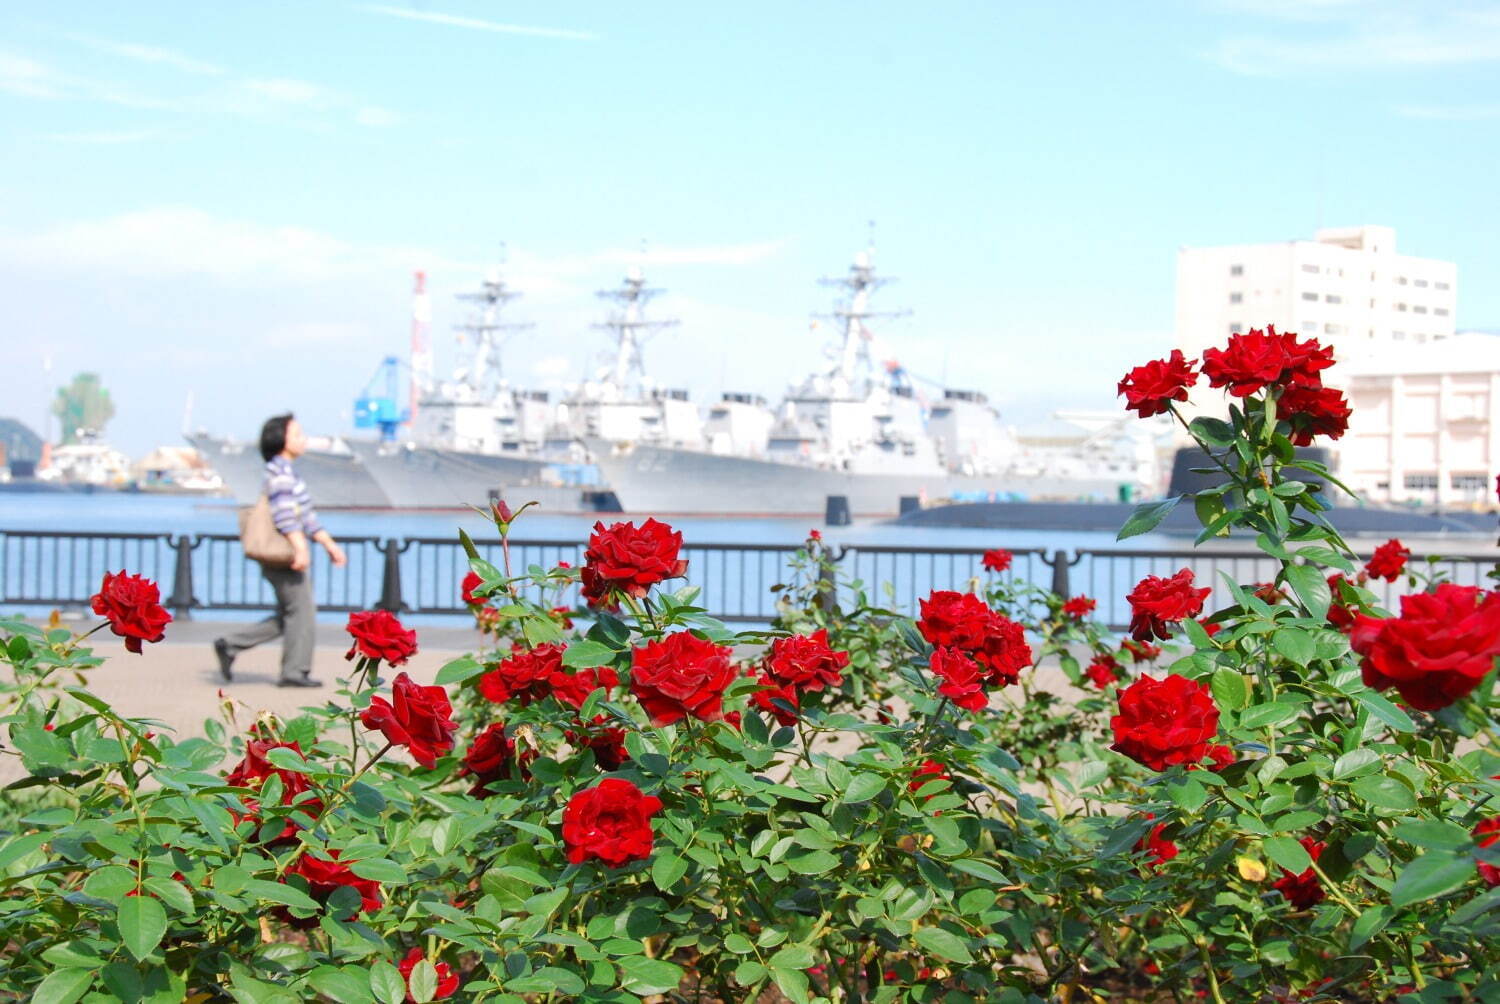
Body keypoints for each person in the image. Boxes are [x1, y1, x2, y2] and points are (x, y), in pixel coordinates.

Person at [214, 414, 346, 687]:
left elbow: (307, 516)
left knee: (293, 612)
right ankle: (294, 671)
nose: (303, 439)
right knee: (302, 611)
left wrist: (328, 545)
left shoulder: (282, 471)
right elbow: (287, 516)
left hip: (281, 553)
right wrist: (301, 548)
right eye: (297, 434)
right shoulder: (282, 474)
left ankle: (231, 645)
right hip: (284, 555)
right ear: (281, 440)